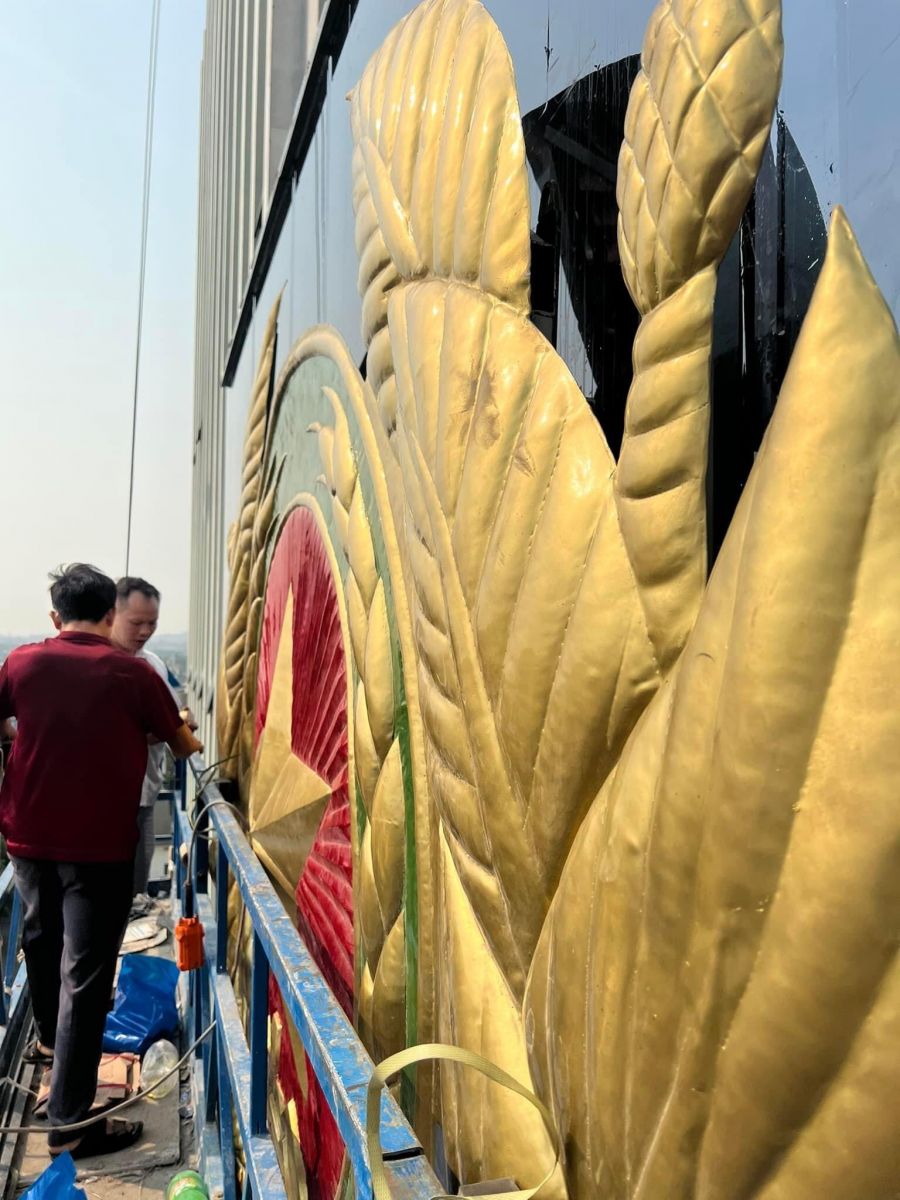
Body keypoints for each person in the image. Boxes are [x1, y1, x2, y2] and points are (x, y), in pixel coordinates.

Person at [0, 564, 203, 1160]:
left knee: (41, 943)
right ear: (111, 615)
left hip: (27, 840)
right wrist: (172, 727)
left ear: (55, 616)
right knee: (85, 980)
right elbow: (183, 745)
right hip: (98, 849)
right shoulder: (132, 673)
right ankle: (70, 1123)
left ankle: (47, 1046)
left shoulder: (22, 663)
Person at [111, 576, 195, 905]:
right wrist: (172, 728)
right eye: (136, 623)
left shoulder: (153, 664)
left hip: (145, 793)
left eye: (152, 623)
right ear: (111, 614)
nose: (145, 631)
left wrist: (178, 724)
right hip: (106, 800)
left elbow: (169, 716)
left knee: (135, 888)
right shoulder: (100, 666)